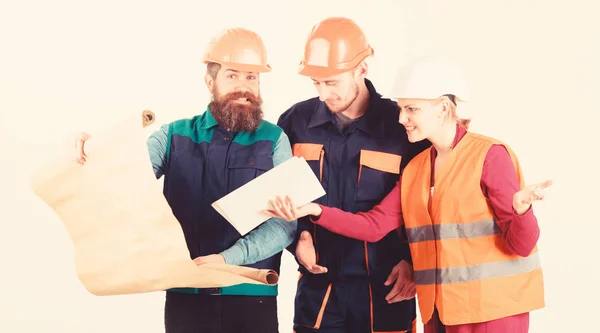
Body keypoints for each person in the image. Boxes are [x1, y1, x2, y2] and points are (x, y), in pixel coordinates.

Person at [266, 56, 549, 333]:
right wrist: (316, 211)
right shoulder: (417, 168)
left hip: (492, 311)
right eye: (401, 109)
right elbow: (374, 226)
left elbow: (522, 245)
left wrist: (521, 211)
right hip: (442, 310)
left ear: (442, 108)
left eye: (412, 109)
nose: (402, 119)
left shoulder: (488, 156)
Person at [74, 27, 296, 333]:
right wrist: (96, 149)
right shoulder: (173, 136)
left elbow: (285, 225)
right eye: (233, 75)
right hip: (186, 298)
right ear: (210, 81)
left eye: (251, 78)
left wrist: (226, 259)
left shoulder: (275, 140)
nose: (244, 87)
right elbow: (123, 178)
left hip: (251, 297)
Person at [276, 17, 430, 333]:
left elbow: (425, 205)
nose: (322, 94)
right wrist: (298, 237)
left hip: (386, 289)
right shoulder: (294, 122)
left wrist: (415, 263)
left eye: (331, 82)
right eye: (316, 83)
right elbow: (276, 196)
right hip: (319, 291)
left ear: (362, 69)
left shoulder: (402, 127)